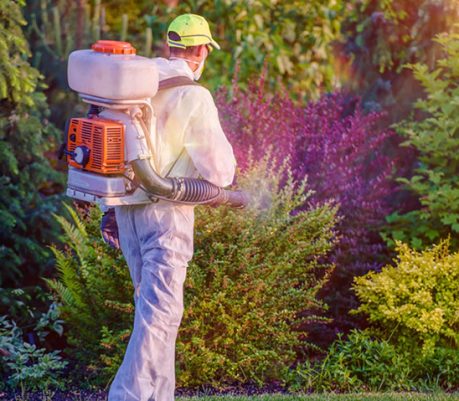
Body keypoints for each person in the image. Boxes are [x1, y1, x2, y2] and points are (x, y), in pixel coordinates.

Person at [106, 13, 237, 401]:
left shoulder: (137, 88)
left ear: (171, 46)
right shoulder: (193, 95)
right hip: (166, 213)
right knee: (159, 318)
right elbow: (220, 170)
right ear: (200, 51)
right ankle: (125, 397)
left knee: (155, 315)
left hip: (126, 211)